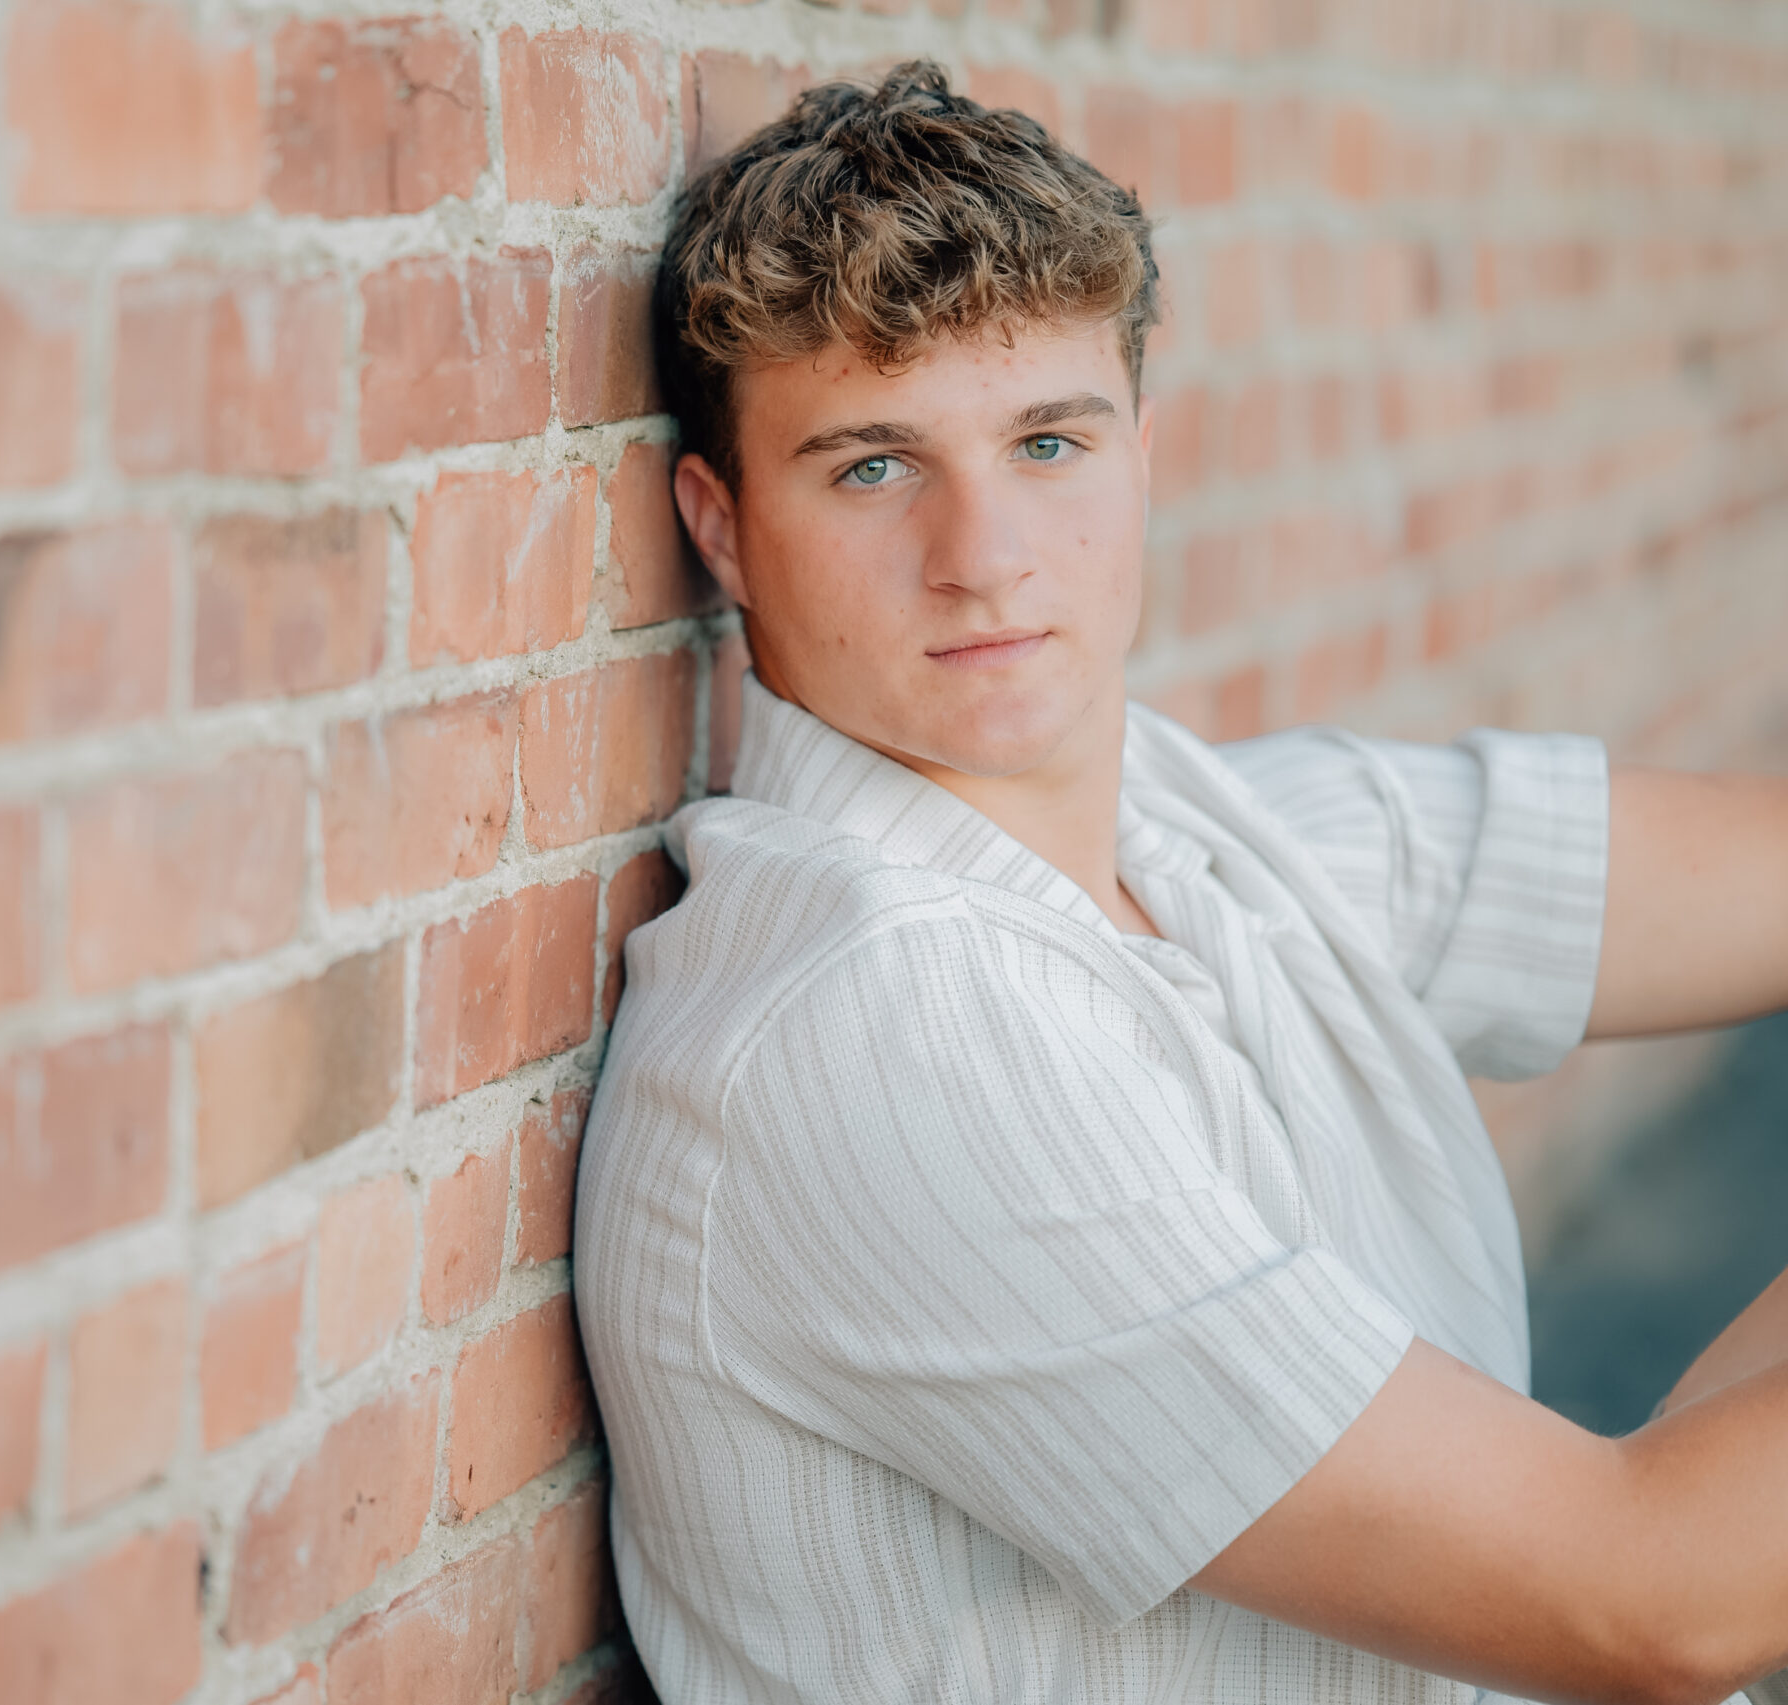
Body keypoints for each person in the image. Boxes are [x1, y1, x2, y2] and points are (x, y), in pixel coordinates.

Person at [571, 60, 1788, 1705]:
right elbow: (1644, 1602)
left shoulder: (1195, 835)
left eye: (1048, 442)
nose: (984, 552)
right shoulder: (878, 1026)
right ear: (718, 528)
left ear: (1144, 452)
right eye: (871, 466)